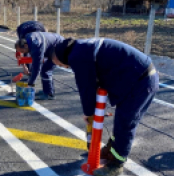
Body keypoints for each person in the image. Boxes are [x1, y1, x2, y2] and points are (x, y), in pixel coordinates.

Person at [52, 37, 159, 176]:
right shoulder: (80, 47)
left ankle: (117, 164)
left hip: (141, 81)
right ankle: (112, 149)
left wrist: (88, 113)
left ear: (61, 57)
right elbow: (94, 79)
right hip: (136, 77)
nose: (64, 67)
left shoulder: (77, 57)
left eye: (60, 64)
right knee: (121, 121)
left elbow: (86, 87)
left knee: (126, 123)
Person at [15, 30, 64, 100]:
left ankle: (49, 94)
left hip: (59, 47)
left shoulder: (37, 46)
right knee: (45, 69)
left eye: (23, 51)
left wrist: (30, 84)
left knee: (45, 70)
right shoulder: (28, 38)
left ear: (25, 46)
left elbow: (37, 67)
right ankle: (47, 91)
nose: (24, 53)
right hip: (52, 46)